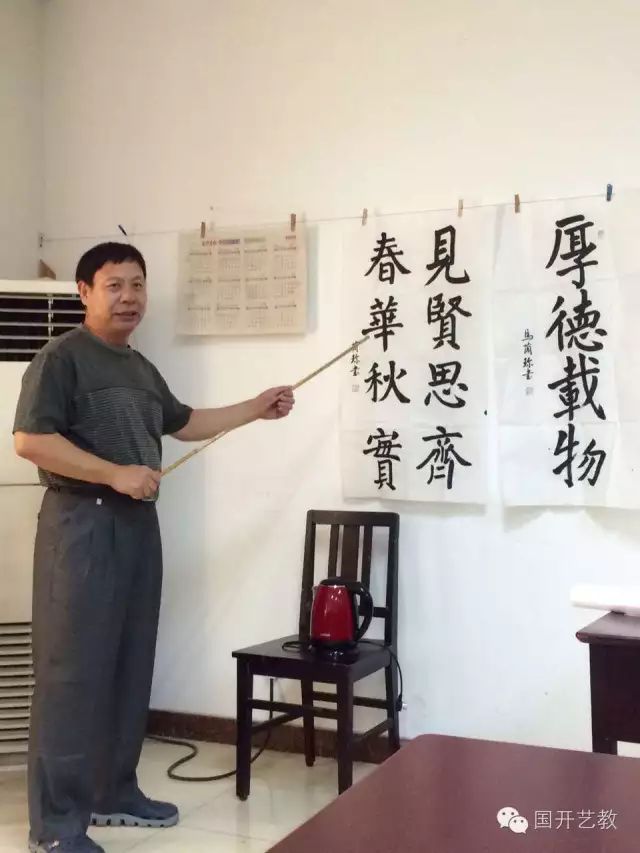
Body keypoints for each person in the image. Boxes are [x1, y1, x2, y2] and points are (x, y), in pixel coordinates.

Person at [13, 242, 295, 853]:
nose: (129, 297)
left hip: (138, 527)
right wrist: (114, 473)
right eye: (113, 285)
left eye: (137, 284)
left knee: (128, 663)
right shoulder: (60, 357)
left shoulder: (140, 368)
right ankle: (56, 828)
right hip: (80, 525)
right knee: (70, 675)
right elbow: (31, 440)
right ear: (84, 292)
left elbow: (184, 421)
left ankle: (113, 792)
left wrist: (256, 408)